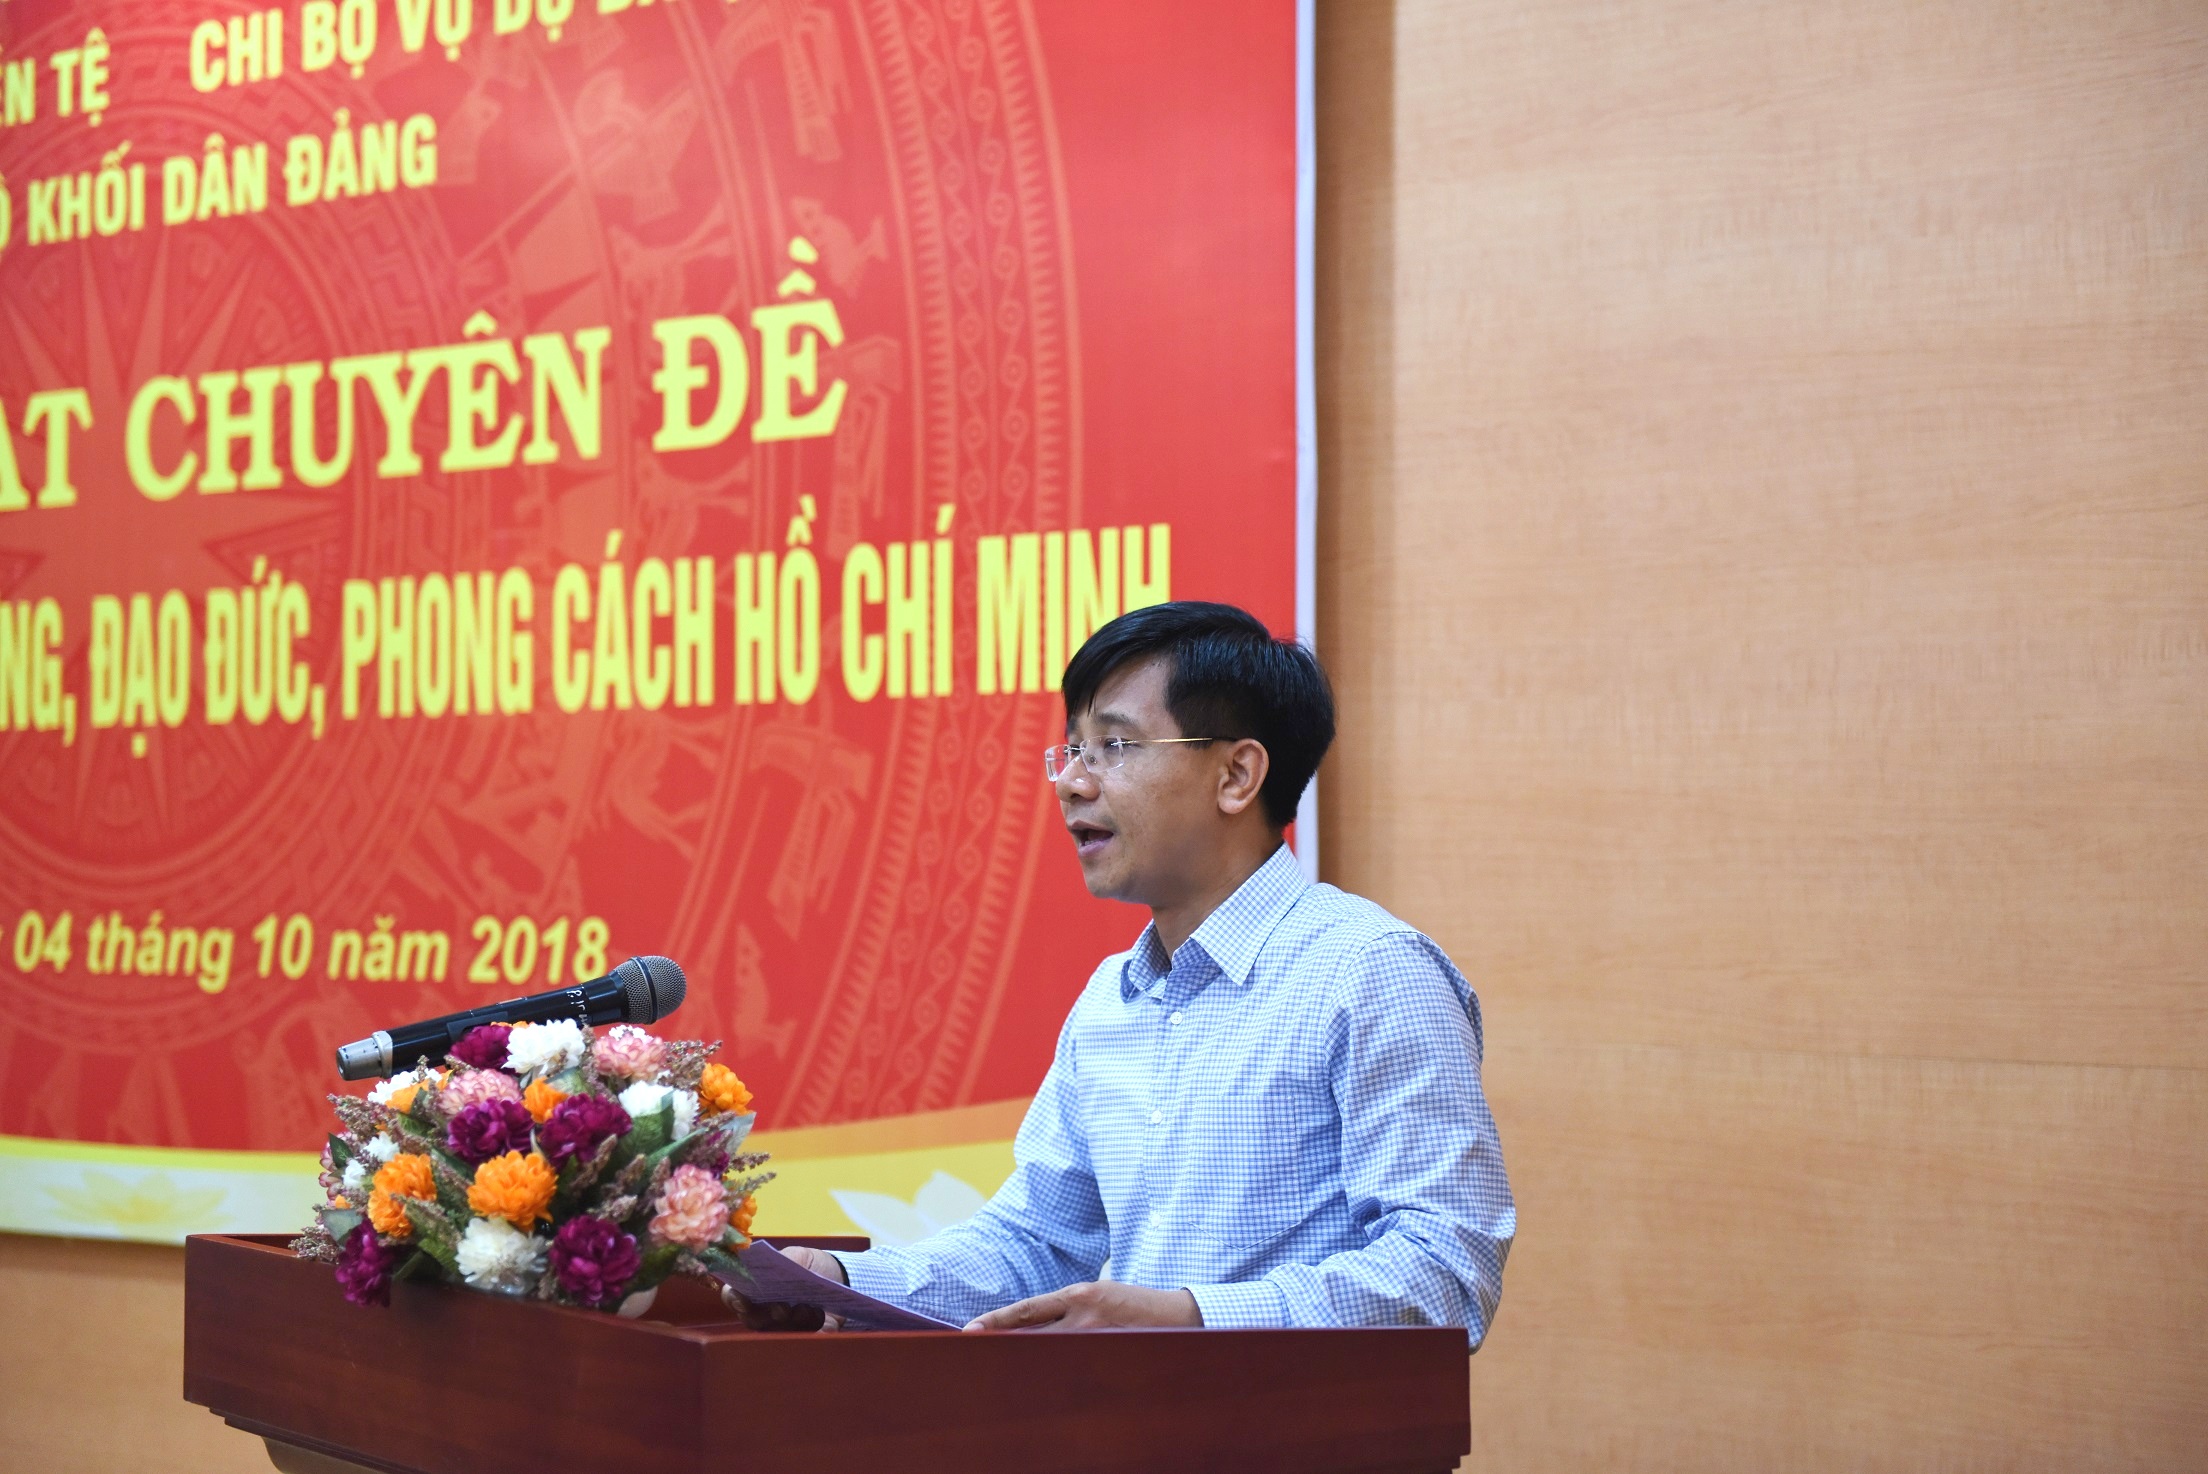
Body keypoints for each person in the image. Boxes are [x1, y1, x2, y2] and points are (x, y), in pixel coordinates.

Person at [733, 601, 1514, 1338]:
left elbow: (1447, 1271)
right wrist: (839, 1281)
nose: (1072, 781)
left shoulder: (1370, 973)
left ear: (1236, 776)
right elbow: (1033, 1244)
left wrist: (1193, 1321)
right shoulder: (1112, 1000)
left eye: (1115, 746)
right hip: (1126, 1419)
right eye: (1072, 749)